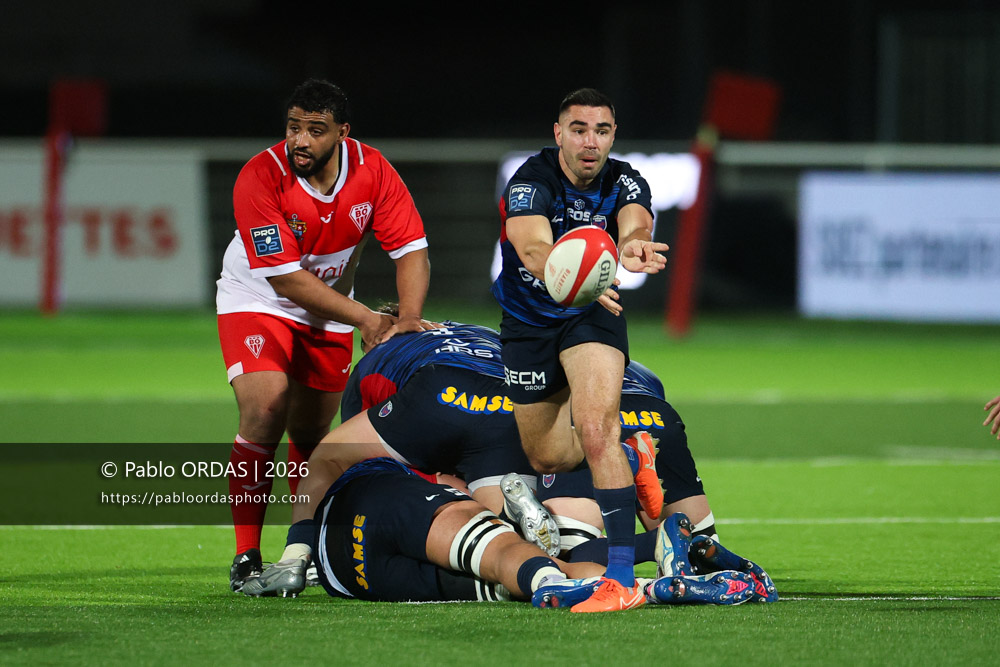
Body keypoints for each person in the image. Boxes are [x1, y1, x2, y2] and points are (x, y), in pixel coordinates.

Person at [215, 78, 438, 591]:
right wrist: (366, 317)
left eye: (315, 131)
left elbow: (412, 249)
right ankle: (246, 553)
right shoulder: (260, 176)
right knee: (265, 406)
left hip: (330, 309)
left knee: (314, 437)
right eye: (294, 127)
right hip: (259, 298)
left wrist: (407, 318)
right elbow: (286, 278)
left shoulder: (372, 169)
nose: (300, 141)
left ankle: (304, 551)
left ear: (341, 132)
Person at [490, 87, 669, 612]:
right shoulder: (532, 180)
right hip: (528, 323)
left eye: (603, 131)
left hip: (594, 312)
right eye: (579, 129)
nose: (591, 142)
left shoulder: (625, 178)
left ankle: (618, 578)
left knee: (595, 429)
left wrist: (634, 243)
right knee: (547, 453)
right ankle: (634, 451)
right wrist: (562, 271)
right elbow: (530, 244)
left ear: (613, 135)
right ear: (558, 134)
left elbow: (636, 220)